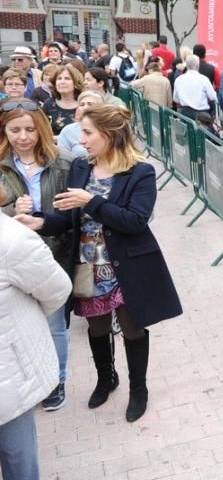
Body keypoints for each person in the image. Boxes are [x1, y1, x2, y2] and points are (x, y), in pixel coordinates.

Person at [17, 105, 183, 422]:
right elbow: (68, 218)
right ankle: (106, 379)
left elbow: (135, 221)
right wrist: (39, 222)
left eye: (88, 132)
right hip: (87, 264)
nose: (82, 140)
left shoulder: (140, 171)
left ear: (110, 134)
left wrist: (90, 200)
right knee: (97, 325)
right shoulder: (81, 168)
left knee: (132, 327)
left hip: (127, 265)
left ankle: (139, 389)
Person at [0, 101, 76, 412]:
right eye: (15, 130)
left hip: (53, 253)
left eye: (30, 129)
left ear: (42, 129)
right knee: (20, 324)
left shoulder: (65, 162)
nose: (23, 137)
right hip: (12, 259)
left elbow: (76, 211)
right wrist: (9, 210)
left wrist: (46, 218)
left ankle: (55, 382)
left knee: (55, 322)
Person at [0, 184, 71, 480]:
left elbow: (55, 289)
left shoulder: (9, 239)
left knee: (16, 446)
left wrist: (19, 326)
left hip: (6, 369)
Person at [57, 91, 106, 157]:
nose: (85, 107)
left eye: (90, 104)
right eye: (82, 105)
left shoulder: (109, 128)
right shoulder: (68, 130)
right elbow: (62, 159)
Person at [173, 55, 217, 119]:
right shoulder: (204, 79)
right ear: (198, 66)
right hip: (202, 114)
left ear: (186, 65)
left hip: (185, 112)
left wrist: (185, 100)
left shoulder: (178, 80)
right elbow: (213, 97)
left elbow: (175, 98)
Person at [43, 65, 83, 135]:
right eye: (59, 79)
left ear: (76, 83)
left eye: (67, 78)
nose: (62, 82)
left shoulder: (84, 104)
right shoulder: (48, 104)